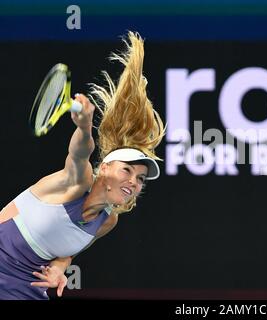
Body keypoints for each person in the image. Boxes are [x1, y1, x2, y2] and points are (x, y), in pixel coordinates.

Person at [0, 32, 164, 300]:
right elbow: (80, 152)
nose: (134, 181)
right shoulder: (78, 181)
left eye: (141, 179)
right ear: (107, 168)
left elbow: (69, 247)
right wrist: (85, 126)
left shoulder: (107, 221)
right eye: (127, 170)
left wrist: (61, 266)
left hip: (25, 290)